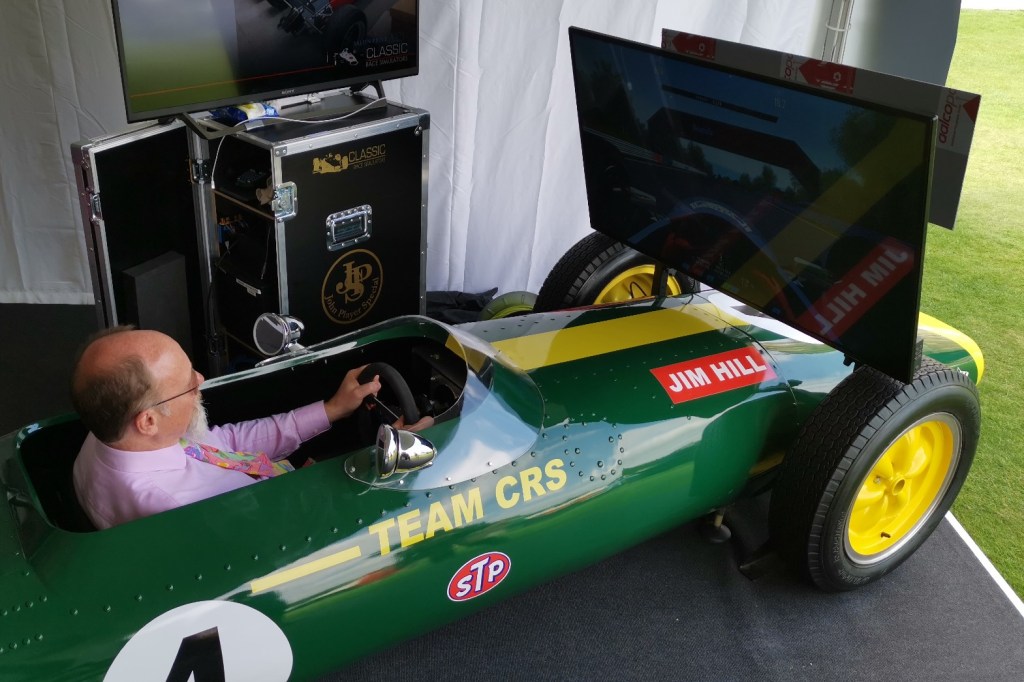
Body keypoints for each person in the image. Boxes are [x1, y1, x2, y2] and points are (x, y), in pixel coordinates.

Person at [71, 326, 431, 529]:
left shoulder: (111, 431)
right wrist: (385, 455)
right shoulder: (185, 508)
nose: (201, 379)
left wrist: (331, 410)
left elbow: (224, 445)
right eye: (186, 384)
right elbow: (290, 527)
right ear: (147, 421)